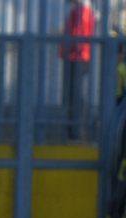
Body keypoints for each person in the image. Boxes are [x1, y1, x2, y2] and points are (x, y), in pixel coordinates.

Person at [59, 0, 95, 139]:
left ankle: (74, 129)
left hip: (77, 56)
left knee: (74, 94)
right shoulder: (79, 10)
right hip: (76, 55)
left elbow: (77, 35)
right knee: (73, 93)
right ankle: (73, 128)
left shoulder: (82, 11)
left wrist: (67, 48)